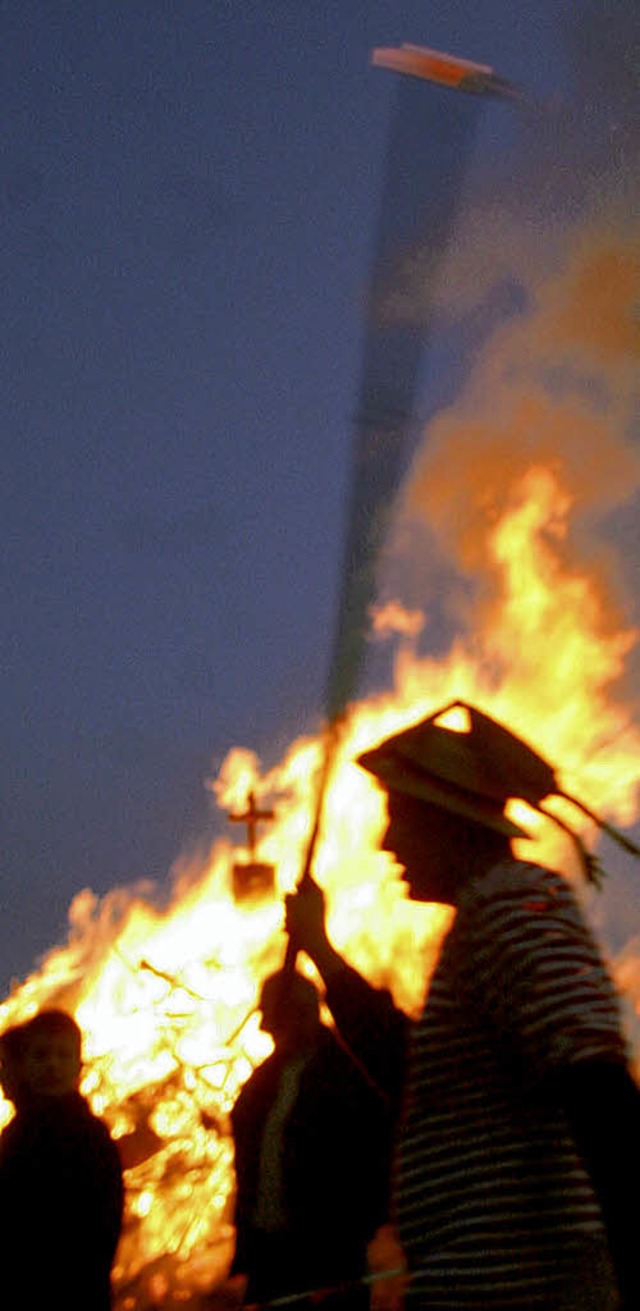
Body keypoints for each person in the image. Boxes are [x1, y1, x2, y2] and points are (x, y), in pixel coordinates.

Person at [285, 701, 640, 1311]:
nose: (385, 841)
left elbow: (598, 1089)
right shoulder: (487, 918)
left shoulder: (516, 906)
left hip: (527, 1291)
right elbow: (410, 1069)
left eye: (398, 816)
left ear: (446, 822)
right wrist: (323, 951)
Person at [228, 966, 402, 1309]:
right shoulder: (262, 1084)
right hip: (271, 1261)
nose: (268, 1028)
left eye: (275, 1017)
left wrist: (347, 1232)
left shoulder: (346, 1074)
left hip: (329, 1262)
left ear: (299, 1013)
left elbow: (372, 1158)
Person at [0, 1008, 124, 1310]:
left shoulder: (91, 1137)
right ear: (25, 1066)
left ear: (79, 1066)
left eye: (62, 1055)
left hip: (74, 1290)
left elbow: (105, 1223)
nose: (52, 1065)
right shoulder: (15, 1135)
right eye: (41, 1056)